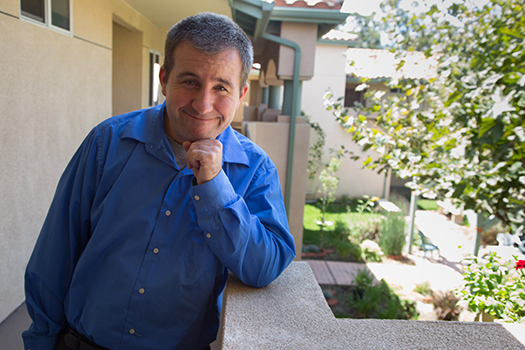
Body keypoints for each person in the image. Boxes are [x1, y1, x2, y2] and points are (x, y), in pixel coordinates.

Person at [22, 12, 295, 350]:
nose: (203, 103)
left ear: (241, 94)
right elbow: (55, 253)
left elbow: (265, 267)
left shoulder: (255, 170)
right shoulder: (106, 143)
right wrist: (42, 340)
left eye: (221, 87)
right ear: (164, 79)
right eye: (190, 81)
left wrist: (213, 185)